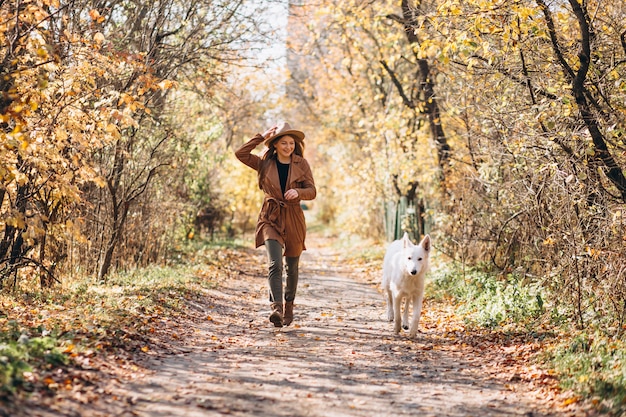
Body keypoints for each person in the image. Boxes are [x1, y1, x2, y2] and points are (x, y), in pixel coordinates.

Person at [235, 121, 317, 327]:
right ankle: (277, 309)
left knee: (292, 267)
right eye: (283, 143)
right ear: (275, 145)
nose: (288, 147)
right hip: (270, 217)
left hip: (294, 218)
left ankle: (289, 306)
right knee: (275, 263)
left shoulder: (302, 164)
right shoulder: (265, 162)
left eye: (291, 143)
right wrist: (260, 136)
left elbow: (312, 191)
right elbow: (240, 153)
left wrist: (299, 192)